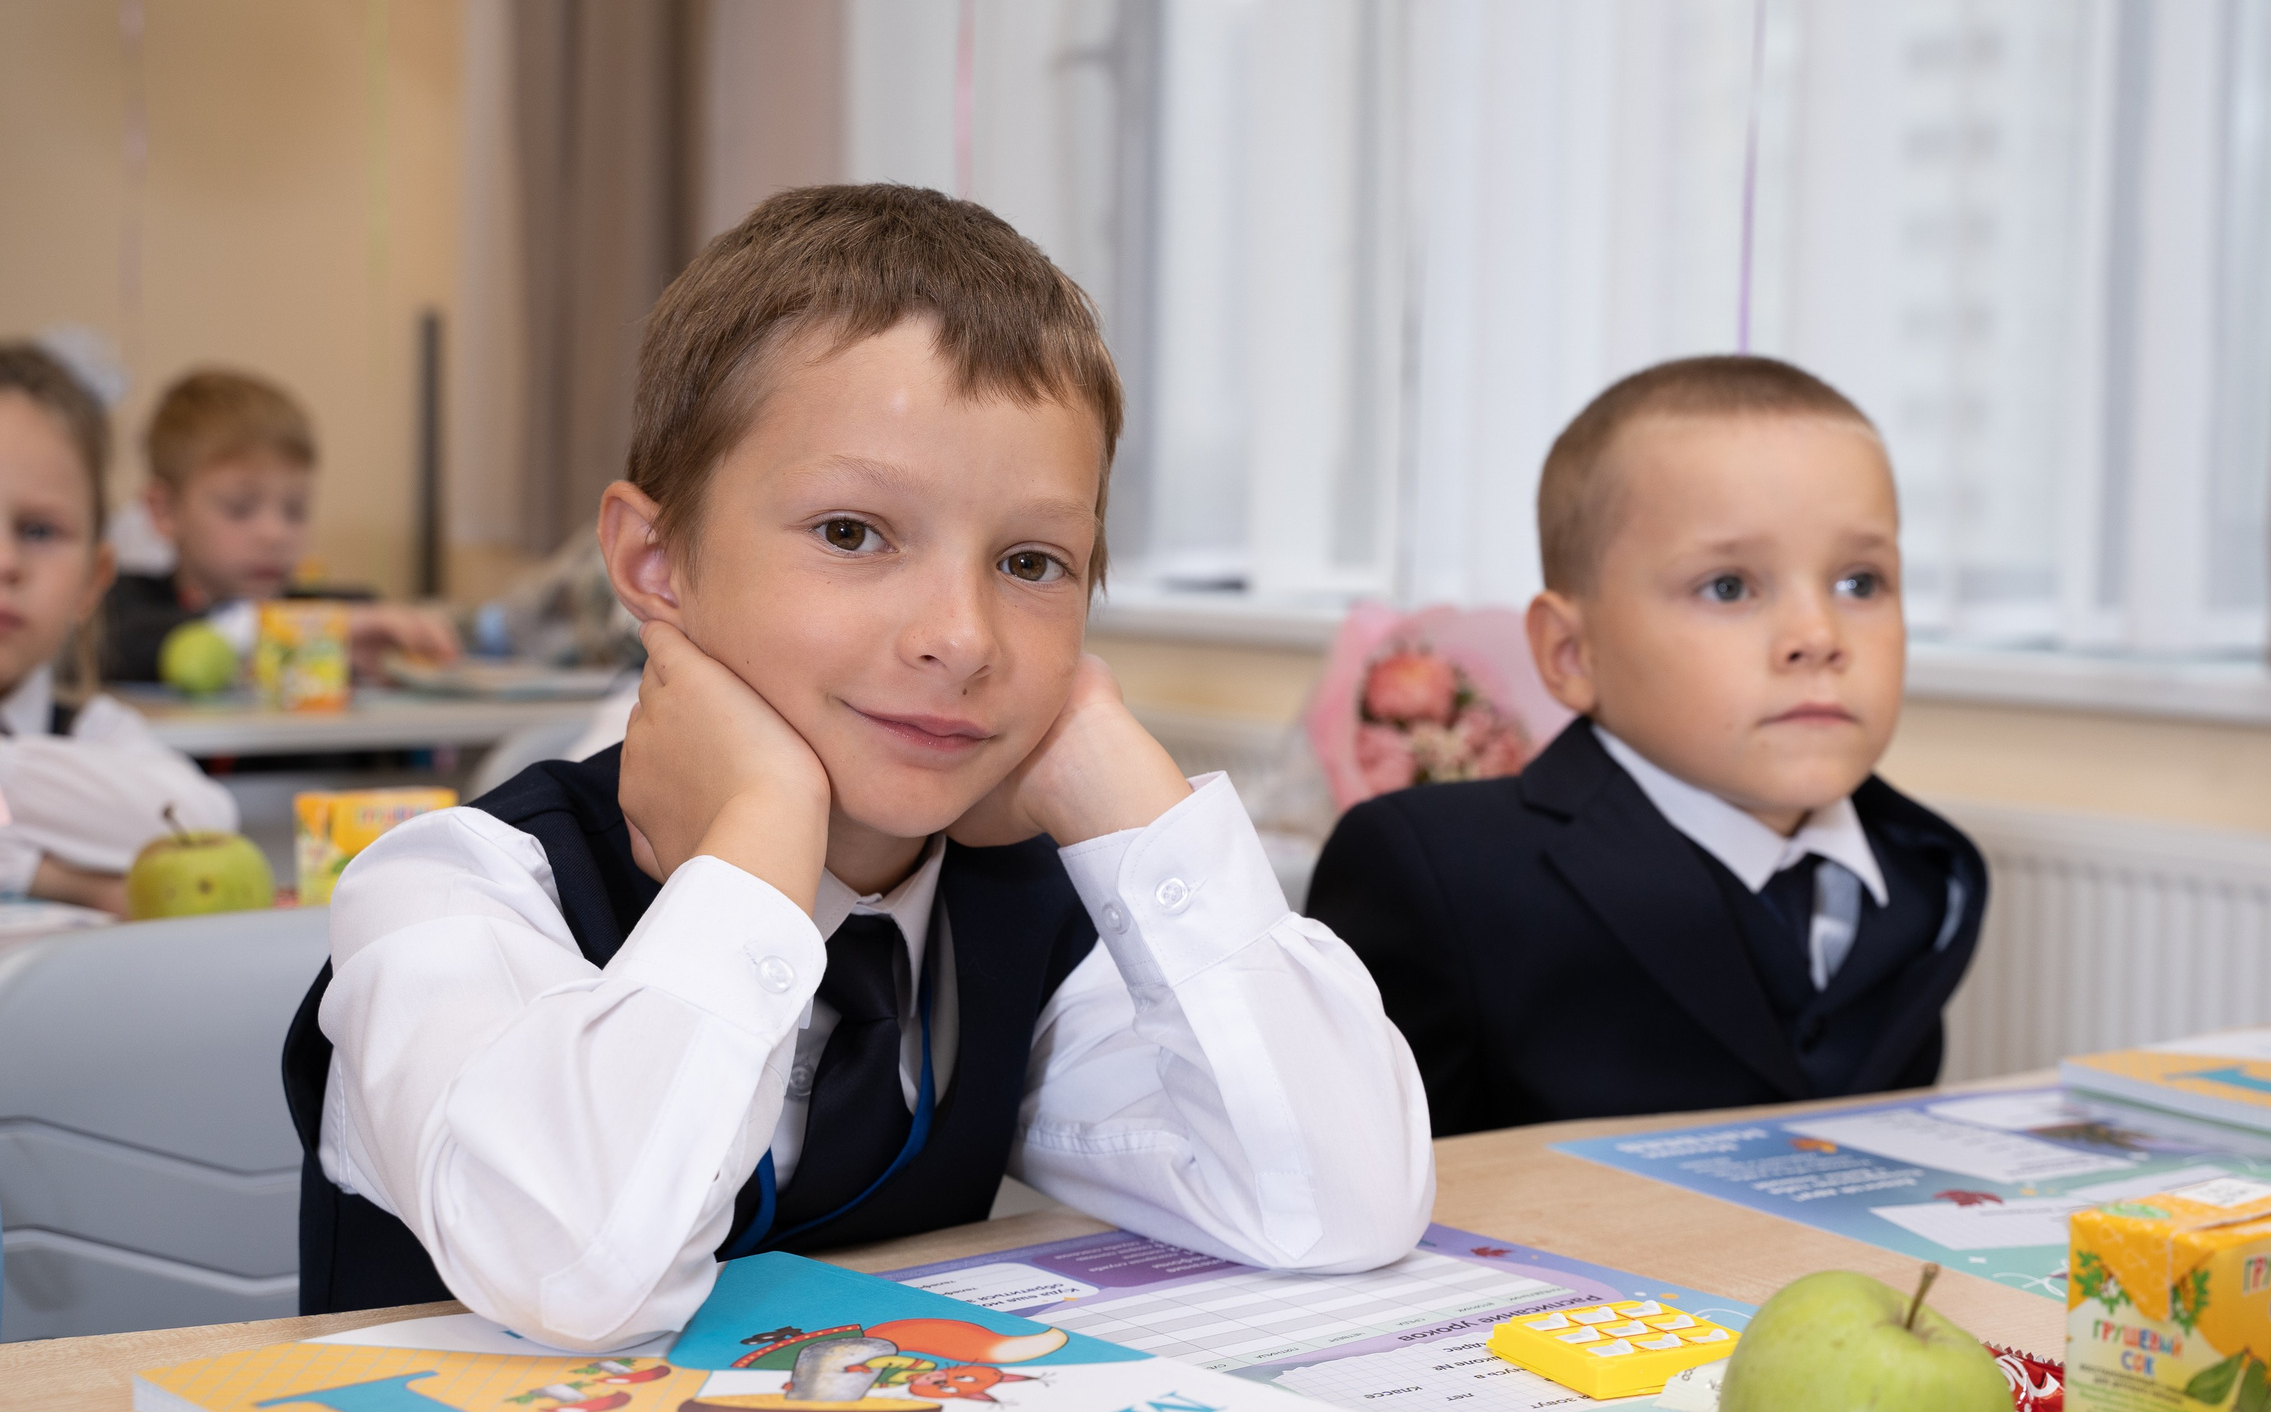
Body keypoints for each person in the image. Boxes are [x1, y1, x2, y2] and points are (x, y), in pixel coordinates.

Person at [284, 185, 1434, 1349]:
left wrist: (1121, 788)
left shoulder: (1007, 920)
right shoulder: (449, 890)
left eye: (1032, 562)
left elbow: (1336, 1204)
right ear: (654, 560)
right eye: (851, 533)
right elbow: (580, 1277)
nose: (965, 636)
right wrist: (761, 832)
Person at [1307, 356, 1986, 1135]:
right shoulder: (1436, 869)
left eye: (1860, 582)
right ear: (1572, 653)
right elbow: (1349, 1180)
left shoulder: (1923, 870)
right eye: (1729, 585)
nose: (1818, 637)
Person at [0, 345, 240, 915]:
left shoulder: (94, 730)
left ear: (92, 579)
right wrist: (67, 879)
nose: (5, 562)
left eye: (37, 531)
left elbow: (201, 817)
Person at [97, 369, 459, 682]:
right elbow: (133, 645)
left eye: (295, 511)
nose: (275, 534)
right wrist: (318, 631)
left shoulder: (350, 615)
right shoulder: (120, 612)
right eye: (239, 509)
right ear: (164, 511)